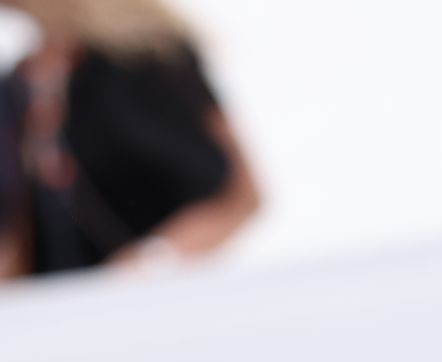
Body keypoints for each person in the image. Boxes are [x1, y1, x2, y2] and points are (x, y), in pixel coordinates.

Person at [0, 0, 259, 277]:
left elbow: (241, 194)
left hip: (158, 292)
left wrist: (148, 264)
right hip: (61, 298)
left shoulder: (148, 57)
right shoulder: (19, 86)